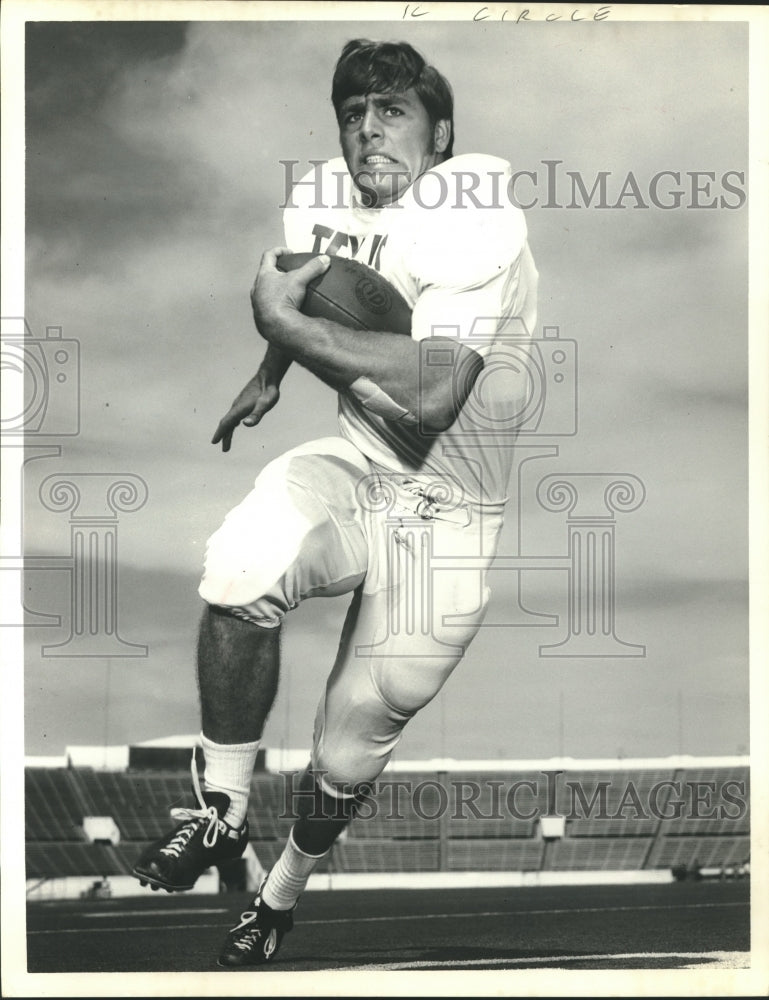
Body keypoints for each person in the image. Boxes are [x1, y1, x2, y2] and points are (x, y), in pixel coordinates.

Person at [133, 38, 538, 967]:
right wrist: (268, 370)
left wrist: (281, 325)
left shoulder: (474, 214)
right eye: (353, 114)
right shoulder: (322, 193)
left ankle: (277, 898)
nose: (367, 130)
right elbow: (322, 276)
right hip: (362, 459)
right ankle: (221, 811)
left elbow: (435, 396)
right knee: (239, 566)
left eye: (390, 111)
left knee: (356, 736)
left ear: (440, 134)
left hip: (449, 507)